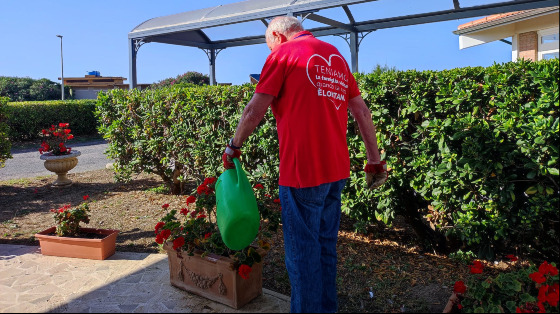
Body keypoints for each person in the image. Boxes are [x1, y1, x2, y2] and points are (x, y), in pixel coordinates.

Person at [222, 16, 387, 313]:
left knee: (302, 257)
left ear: (278, 36)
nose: (269, 51)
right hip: (336, 172)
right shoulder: (335, 56)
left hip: (302, 174)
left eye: (269, 45)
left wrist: (233, 147)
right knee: (324, 249)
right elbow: (361, 112)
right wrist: (374, 160)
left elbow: (253, 111)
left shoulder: (282, 55)